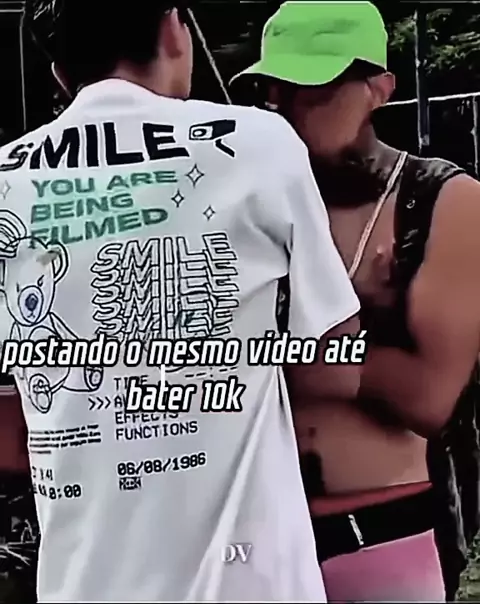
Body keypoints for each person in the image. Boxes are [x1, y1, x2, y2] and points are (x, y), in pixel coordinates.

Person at [0, 0, 361, 601]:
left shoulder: (6, 179)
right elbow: (335, 355)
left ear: (60, 73)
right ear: (174, 29)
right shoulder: (257, 142)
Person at [232, 1, 480, 601]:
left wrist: (316, 355)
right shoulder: (246, 203)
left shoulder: (441, 201)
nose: (286, 110)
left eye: (312, 90)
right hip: (257, 536)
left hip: (386, 528)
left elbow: (430, 397)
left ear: (379, 89)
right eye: (272, 93)